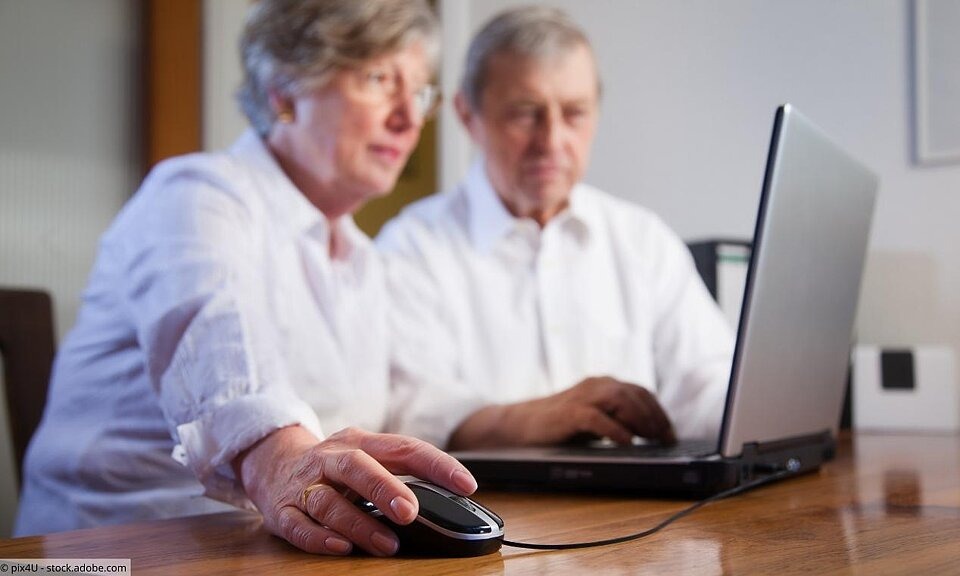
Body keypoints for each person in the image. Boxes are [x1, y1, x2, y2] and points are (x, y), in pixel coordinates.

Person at [15, 0, 478, 558]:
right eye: (379, 79)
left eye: (421, 90)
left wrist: (553, 415)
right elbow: (218, 344)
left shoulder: (361, 257)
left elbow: (416, 399)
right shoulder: (195, 194)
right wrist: (281, 459)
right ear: (283, 93)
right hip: (101, 555)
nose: (409, 117)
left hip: (261, 552)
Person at [377, 6, 735, 451]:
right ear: (467, 115)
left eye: (574, 113)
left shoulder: (643, 240)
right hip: (495, 509)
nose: (552, 141)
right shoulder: (410, 248)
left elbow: (708, 386)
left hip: (649, 510)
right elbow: (413, 414)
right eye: (526, 113)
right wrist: (542, 418)